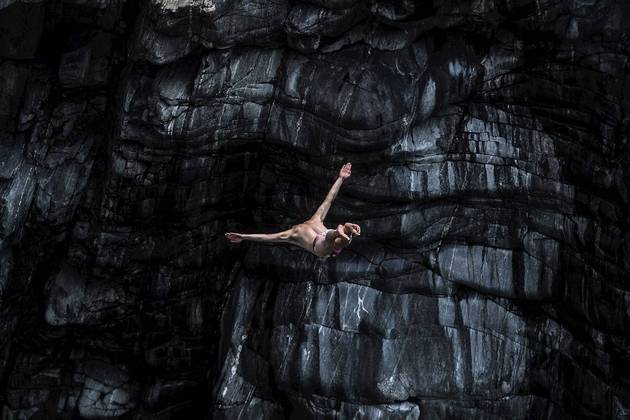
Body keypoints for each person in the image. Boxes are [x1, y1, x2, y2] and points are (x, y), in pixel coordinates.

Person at [224, 162, 361, 258]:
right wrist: (340, 179)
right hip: (324, 243)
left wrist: (244, 237)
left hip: (320, 245)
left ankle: (345, 230)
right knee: (333, 238)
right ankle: (346, 230)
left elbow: (266, 237)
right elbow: (329, 199)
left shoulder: (292, 234)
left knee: (333, 238)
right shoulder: (316, 219)